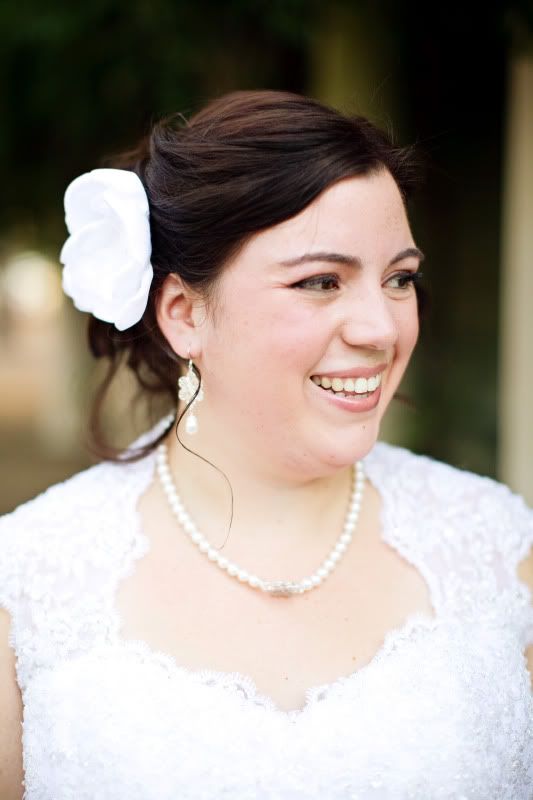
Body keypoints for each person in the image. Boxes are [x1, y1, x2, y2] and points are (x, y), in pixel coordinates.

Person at [0, 90, 532, 800]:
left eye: (399, 278)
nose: (381, 328)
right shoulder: (28, 582)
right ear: (184, 313)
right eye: (320, 281)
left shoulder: (497, 548)